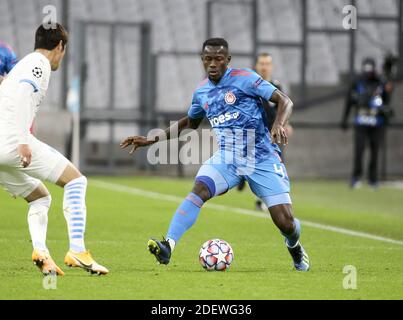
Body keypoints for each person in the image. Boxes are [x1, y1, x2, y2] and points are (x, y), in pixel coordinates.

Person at [121, 38, 310, 272]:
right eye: (207, 59)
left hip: (261, 157)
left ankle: (294, 246)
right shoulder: (201, 92)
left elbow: (285, 101)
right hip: (227, 158)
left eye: (218, 59)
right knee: (199, 189)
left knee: (286, 222)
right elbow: (190, 122)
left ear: (227, 60)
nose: (212, 64)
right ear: (202, 60)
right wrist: (152, 139)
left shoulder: (246, 78)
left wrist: (279, 124)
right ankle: (168, 244)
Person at [0, 23, 108, 276]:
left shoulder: (23, 64)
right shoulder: (39, 64)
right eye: (64, 50)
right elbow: (23, 97)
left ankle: (42, 253)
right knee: (76, 181)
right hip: (11, 142)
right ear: (60, 46)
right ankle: (78, 251)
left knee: (40, 197)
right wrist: (22, 140)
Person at [237, 53, 293, 211]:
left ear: (272, 66)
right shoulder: (250, 85)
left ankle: (266, 199)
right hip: (251, 134)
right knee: (248, 164)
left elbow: (283, 107)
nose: (264, 66)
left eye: (267, 63)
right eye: (261, 63)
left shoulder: (276, 86)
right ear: (256, 65)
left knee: (273, 165)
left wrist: (285, 124)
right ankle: (242, 177)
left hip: (272, 135)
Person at [341, 57, 393, 189]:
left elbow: (387, 99)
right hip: (361, 121)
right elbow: (349, 101)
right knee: (359, 149)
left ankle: (373, 179)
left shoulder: (381, 82)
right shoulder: (357, 82)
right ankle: (356, 177)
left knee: (375, 150)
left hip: (377, 122)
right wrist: (345, 119)